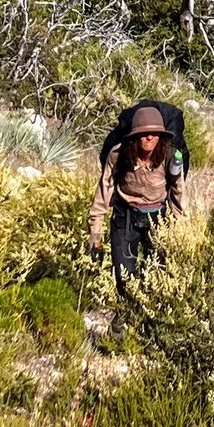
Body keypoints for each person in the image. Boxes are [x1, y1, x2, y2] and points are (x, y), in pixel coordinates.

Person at [89, 101, 186, 290]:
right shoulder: (118, 155)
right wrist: (96, 232)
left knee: (159, 271)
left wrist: (179, 231)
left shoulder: (170, 157)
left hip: (158, 217)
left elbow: (178, 192)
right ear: (135, 136)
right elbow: (104, 190)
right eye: (144, 134)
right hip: (125, 216)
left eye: (155, 133)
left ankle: (147, 313)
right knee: (123, 275)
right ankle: (125, 310)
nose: (149, 137)